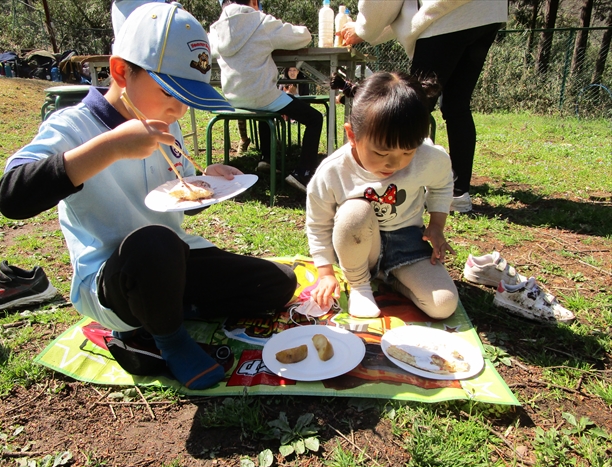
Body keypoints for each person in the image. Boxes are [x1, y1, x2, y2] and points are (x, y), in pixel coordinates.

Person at [0, 3, 296, 390]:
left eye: (189, 95)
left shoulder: (165, 124)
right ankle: (167, 339)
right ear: (121, 70)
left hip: (175, 258)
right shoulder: (73, 126)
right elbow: (11, 197)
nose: (180, 107)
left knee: (277, 283)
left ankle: (163, 309)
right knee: (154, 244)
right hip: (115, 276)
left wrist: (207, 181)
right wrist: (110, 148)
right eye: (170, 91)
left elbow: (177, 192)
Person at [306, 71, 458, 319]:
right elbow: (317, 224)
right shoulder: (333, 171)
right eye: (382, 153)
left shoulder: (429, 156)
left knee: (443, 305)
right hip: (359, 248)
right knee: (355, 212)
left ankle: (390, 279)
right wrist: (325, 274)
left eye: (408, 151)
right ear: (352, 136)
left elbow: (442, 182)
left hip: (407, 244)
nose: (395, 164)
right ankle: (360, 285)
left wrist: (437, 224)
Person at [341, 0, 508, 213]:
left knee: (413, 107)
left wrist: (364, 28)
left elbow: (383, 4)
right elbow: (401, 14)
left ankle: (402, 186)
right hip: (487, 12)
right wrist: (368, 31)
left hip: (445, 15)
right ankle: (458, 194)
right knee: (457, 106)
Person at [210, 0, 324, 193]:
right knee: (315, 118)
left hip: (232, 97)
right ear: (254, 2)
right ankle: (303, 173)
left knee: (263, 107)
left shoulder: (215, 29)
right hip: (262, 95)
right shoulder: (261, 21)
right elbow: (303, 36)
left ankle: (266, 158)